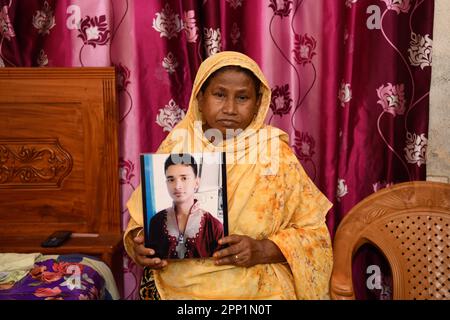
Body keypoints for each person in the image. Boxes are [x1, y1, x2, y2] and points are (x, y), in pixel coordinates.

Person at [124, 51, 333, 300]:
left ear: (258, 103)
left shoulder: (273, 151)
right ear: (200, 98)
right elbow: (140, 224)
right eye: (219, 94)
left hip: (256, 287)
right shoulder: (179, 143)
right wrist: (140, 245)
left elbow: (314, 234)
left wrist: (263, 249)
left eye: (242, 97)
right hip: (177, 286)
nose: (230, 108)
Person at [147, 153, 224, 259]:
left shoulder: (214, 226)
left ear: (197, 182)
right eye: (171, 179)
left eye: (184, 178)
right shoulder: (156, 221)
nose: (177, 186)